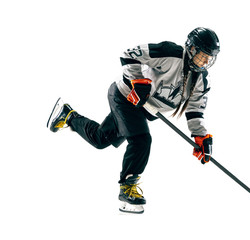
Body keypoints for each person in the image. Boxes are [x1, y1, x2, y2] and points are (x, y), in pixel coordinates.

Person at [47, 27, 220, 214]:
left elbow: (195, 109)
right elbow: (129, 54)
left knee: (100, 139)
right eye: (203, 55)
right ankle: (127, 188)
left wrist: (200, 136)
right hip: (125, 97)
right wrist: (138, 81)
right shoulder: (170, 53)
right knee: (141, 140)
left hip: (143, 111)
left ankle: (69, 116)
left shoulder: (202, 80)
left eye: (209, 58)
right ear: (192, 48)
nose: (205, 61)